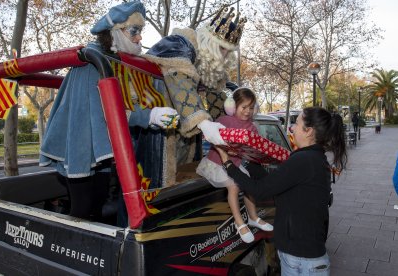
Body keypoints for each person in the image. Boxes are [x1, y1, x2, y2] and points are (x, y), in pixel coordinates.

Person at [39, 1, 178, 221]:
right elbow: (107, 113)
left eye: (140, 32)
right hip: (80, 150)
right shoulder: (92, 61)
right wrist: (149, 116)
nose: (139, 38)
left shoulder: (112, 61)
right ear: (115, 32)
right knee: (83, 209)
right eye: (134, 31)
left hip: (97, 152)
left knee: (97, 203)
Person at [215, 107, 347, 275]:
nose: (292, 128)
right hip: (304, 258)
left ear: (309, 131)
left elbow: (260, 190)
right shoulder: (313, 158)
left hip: (302, 262)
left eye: (297, 124)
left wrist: (228, 163)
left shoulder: (303, 160)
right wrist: (245, 158)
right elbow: (273, 184)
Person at [138, 5, 247, 187]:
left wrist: (231, 127)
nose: (224, 55)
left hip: (183, 134)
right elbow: (179, 77)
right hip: (154, 125)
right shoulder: (179, 44)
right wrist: (203, 123)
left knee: (181, 183)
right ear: (209, 41)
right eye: (221, 48)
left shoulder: (206, 61)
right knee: (153, 184)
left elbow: (216, 96)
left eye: (228, 51)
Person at [196, 87, 273, 243]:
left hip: (235, 165)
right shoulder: (223, 121)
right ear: (233, 107)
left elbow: (252, 149)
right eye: (243, 107)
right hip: (216, 164)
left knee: (248, 184)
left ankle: (253, 217)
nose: (247, 111)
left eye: (251, 108)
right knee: (234, 186)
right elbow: (209, 136)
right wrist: (225, 149)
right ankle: (239, 223)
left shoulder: (252, 127)